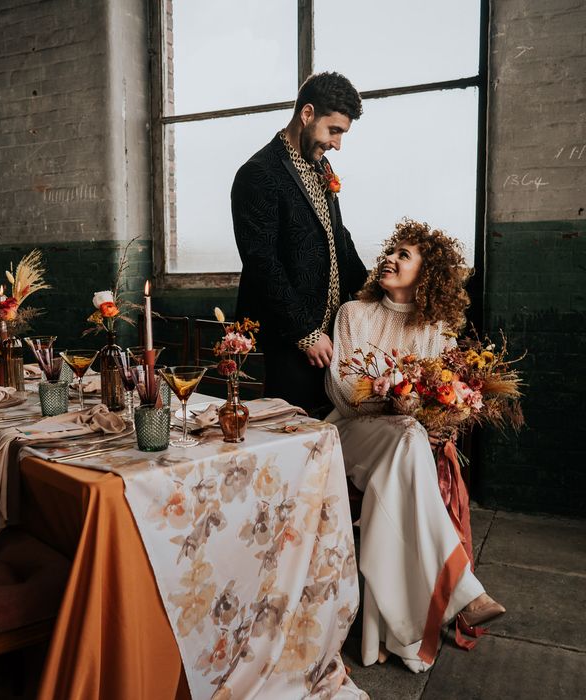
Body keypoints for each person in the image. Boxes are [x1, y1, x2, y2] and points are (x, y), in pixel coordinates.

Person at [325, 219, 506, 672]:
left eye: (404, 255)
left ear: (427, 274)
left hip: (402, 444)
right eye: (391, 251)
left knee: (404, 453)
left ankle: (387, 633)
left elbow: (434, 404)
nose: (390, 258)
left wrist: (433, 413)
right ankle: (462, 590)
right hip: (350, 434)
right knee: (408, 438)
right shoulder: (354, 313)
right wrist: (395, 397)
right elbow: (344, 395)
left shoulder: (437, 329)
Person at [232, 71, 367, 417]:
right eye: (333, 130)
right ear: (307, 115)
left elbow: (338, 236)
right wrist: (305, 333)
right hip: (287, 342)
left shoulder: (322, 166)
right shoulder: (257, 174)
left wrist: (371, 291)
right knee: (292, 440)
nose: (337, 143)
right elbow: (262, 263)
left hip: (333, 336)